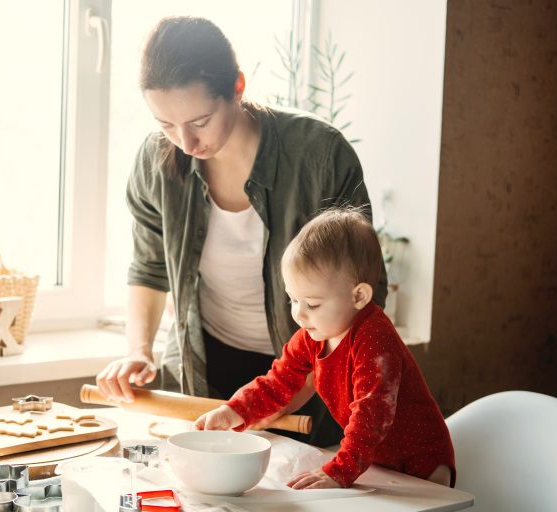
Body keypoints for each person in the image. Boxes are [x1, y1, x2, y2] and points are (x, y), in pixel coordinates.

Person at [96, 15, 387, 447]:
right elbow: (149, 265)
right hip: (204, 366)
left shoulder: (319, 155)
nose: (185, 143)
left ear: (237, 86)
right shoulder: (156, 161)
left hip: (306, 373)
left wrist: (287, 393)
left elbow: (365, 295)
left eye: (200, 121)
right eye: (165, 125)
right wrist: (139, 351)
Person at [194, 208, 455, 489]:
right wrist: (236, 411)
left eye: (312, 304)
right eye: (292, 299)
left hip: (421, 466)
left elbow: (371, 416)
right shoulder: (314, 334)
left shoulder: (375, 339)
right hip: (377, 463)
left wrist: (338, 471)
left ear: (359, 296)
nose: (299, 314)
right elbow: (278, 381)